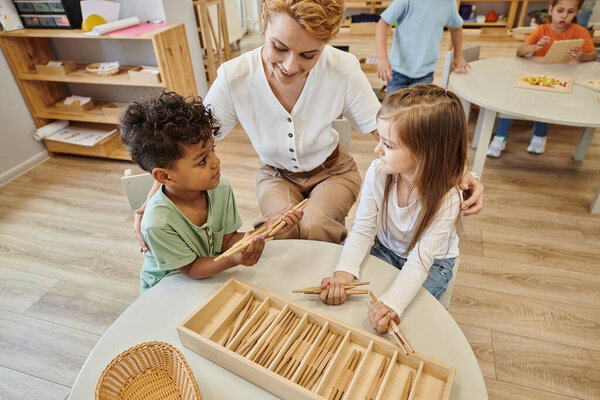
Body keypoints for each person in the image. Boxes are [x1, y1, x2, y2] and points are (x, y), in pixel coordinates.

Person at [133, 0, 484, 250]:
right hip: (275, 174)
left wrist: (459, 170)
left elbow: (396, 133)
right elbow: (189, 144)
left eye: (308, 55)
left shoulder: (342, 68)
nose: (289, 65)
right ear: (264, 22)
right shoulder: (234, 76)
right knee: (280, 231)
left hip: (334, 171)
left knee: (315, 227)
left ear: (325, 45)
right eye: (278, 47)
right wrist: (154, 198)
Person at [120, 92, 302, 294]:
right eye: (202, 161)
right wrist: (233, 259)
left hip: (209, 276)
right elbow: (190, 268)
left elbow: (226, 240)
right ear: (165, 177)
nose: (216, 162)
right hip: (170, 287)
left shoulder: (220, 188)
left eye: (212, 150)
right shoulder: (158, 223)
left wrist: (267, 229)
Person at [319, 85, 466, 334]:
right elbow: (363, 229)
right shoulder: (379, 173)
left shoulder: (448, 198)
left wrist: (393, 304)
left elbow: (421, 260)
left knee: (407, 324)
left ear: (425, 153)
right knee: (358, 312)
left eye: (388, 144)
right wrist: (344, 273)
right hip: (386, 248)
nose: (377, 150)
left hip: (432, 265)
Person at [487, 0, 597, 157]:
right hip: (533, 78)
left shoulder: (580, 31)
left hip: (559, 82)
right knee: (512, 101)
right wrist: (535, 47)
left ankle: (539, 136)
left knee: (545, 105)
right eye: (560, 10)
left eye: (570, 12)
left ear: (577, 13)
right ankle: (500, 136)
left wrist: (581, 56)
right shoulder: (541, 30)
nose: (564, 16)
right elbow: (520, 51)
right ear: (551, 10)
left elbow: (593, 55)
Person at [376, 0, 470, 95]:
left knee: (420, 108)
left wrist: (458, 56)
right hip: (398, 71)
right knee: (393, 109)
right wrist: (382, 58)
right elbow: (383, 23)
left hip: (426, 73)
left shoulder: (449, 3)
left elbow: (456, 28)